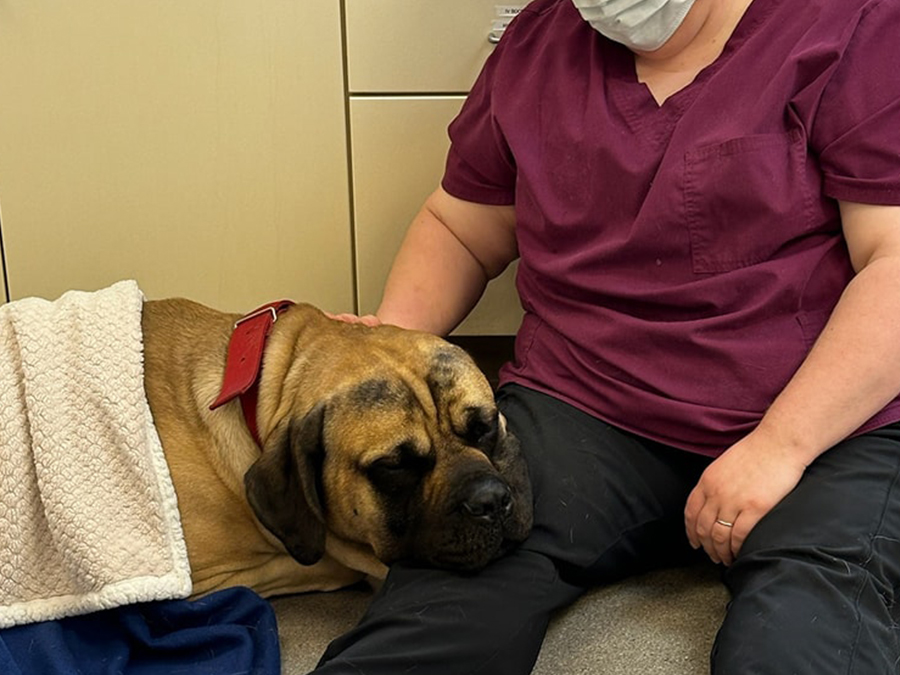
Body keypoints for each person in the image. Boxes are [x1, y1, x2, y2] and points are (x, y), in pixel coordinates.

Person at [315, 0, 900, 672]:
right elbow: (462, 226)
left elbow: (895, 265)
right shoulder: (538, 44)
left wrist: (779, 448)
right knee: (453, 574)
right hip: (590, 407)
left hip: (827, 424)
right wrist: (391, 338)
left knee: (806, 624)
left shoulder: (853, 25)